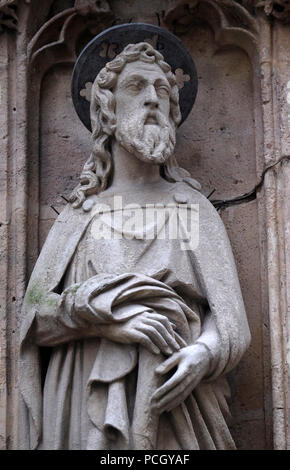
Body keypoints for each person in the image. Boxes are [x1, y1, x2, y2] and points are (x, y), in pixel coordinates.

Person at [19, 41, 251, 450]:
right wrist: (111, 323)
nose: (152, 100)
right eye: (137, 87)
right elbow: (35, 318)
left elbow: (231, 322)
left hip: (172, 398)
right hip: (83, 393)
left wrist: (203, 353)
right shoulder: (81, 216)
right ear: (106, 111)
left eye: (163, 92)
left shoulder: (190, 209)